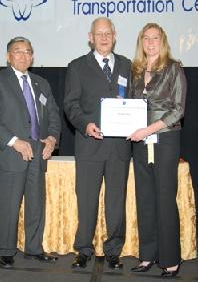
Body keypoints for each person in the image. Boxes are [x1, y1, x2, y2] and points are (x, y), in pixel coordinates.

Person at [0, 36, 61, 269]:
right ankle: (6, 251)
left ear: (32, 56)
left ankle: (34, 249)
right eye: (18, 51)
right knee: (9, 205)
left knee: (36, 205)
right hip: (10, 154)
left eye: (28, 51)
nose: (24, 55)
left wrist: (52, 138)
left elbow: (54, 116)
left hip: (38, 152)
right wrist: (14, 141)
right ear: (8, 56)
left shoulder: (41, 83)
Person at [64, 17, 131, 269]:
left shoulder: (127, 65)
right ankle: (83, 249)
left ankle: (113, 250)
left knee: (116, 202)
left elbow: (134, 101)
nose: (104, 38)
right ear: (90, 37)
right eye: (98, 34)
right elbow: (70, 104)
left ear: (114, 36)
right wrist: (85, 125)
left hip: (119, 147)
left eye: (108, 33)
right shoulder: (77, 66)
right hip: (89, 144)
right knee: (87, 200)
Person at [127, 23, 187, 277]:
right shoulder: (136, 71)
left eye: (155, 38)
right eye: (146, 38)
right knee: (145, 200)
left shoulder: (174, 68)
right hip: (140, 143)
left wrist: (149, 129)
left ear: (163, 41)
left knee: (164, 198)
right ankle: (147, 256)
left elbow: (178, 109)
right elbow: (131, 104)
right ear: (141, 42)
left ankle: (171, 259)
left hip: (164, 139)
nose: (150, 43)